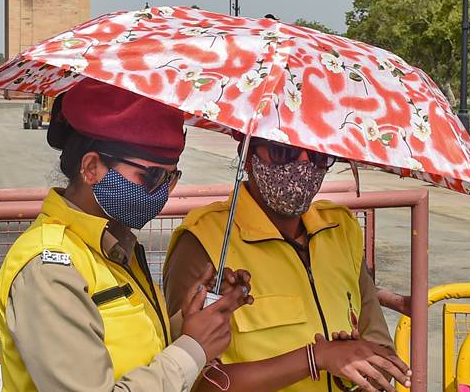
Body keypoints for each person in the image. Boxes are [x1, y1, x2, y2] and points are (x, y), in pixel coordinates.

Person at [0, 79, 253, 391]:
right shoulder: (50, 268)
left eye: (172, 178)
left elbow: (142, 353)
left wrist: (190, 318)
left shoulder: (115, 246)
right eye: (152, 176)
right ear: (91, 167)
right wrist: (192, 350)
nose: (163, 193)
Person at [163, 136, 410, 392]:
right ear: (247, 157)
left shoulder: (341, 230)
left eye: (318, 156)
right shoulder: (204, 241)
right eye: (283, 152)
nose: (303, 167)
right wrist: (316, 358)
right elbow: (191, 382)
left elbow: (383, 353)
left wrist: (350, 363)